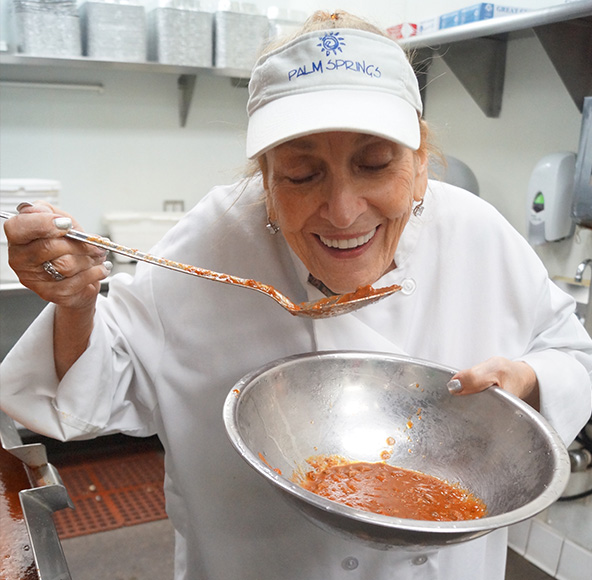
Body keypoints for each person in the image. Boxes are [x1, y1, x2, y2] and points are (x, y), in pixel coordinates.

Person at [1, 10, 591, 580]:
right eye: (301, 175)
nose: (343, 212)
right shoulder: (214, 241)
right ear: (264, 180)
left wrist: (527, 384)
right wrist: (76, 303)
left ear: (419, 166)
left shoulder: (477, 235)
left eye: (376, 164)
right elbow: (90, 390)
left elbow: (573, 354)